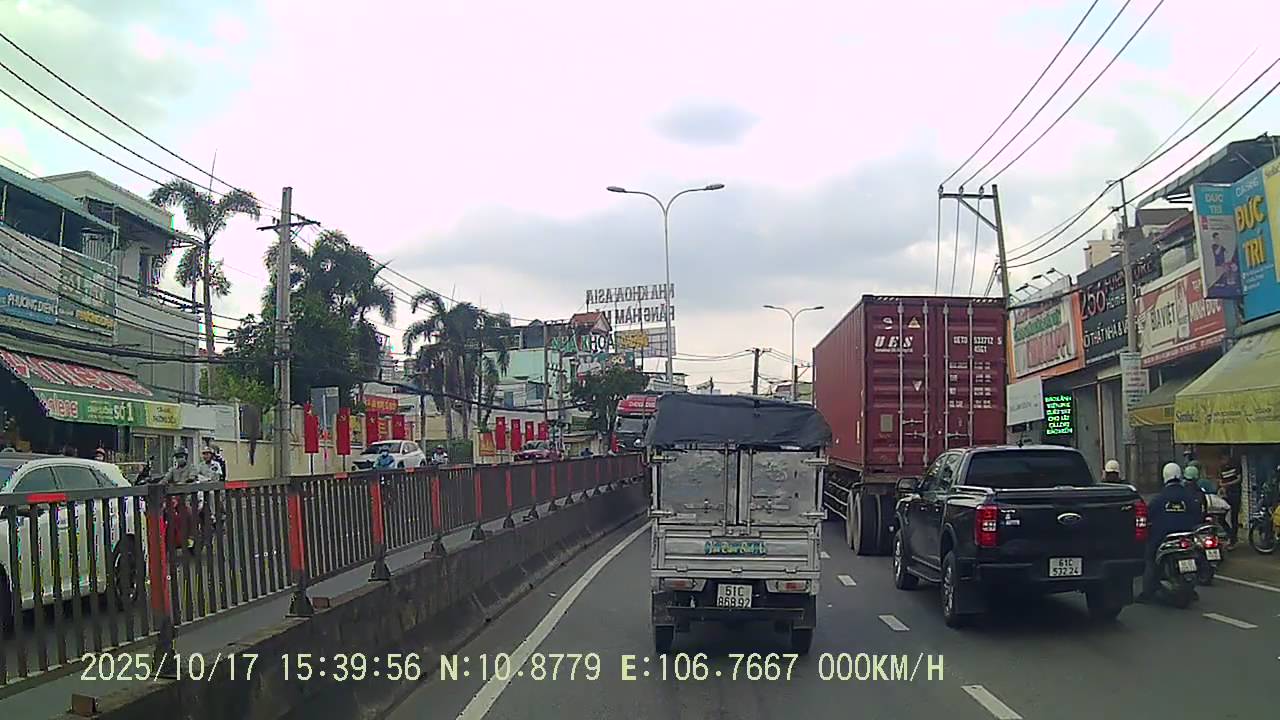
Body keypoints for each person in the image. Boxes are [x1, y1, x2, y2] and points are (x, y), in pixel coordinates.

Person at [1139, 461, 1204, 602]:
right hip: (1186, 537)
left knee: (1150, 557)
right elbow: (1198, 516)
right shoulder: (1189, 497)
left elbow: (1149, 514)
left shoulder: (1159, 498)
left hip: (1164, 537)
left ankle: (1148, 592)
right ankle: (1191, 588)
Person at [1218, 450, 1243, 547]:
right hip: (1226, 495)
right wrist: (1222, 487)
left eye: (1224, 459)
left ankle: (1233, 539)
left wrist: (1227, 484)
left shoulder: (1235, 466)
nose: (1222, 461)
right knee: (1221, 517)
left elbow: (1239, 479)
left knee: (1234, 518)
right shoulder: (1222, 468)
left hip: (1235, 493)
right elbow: (1221, 481)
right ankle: (1230, 534)